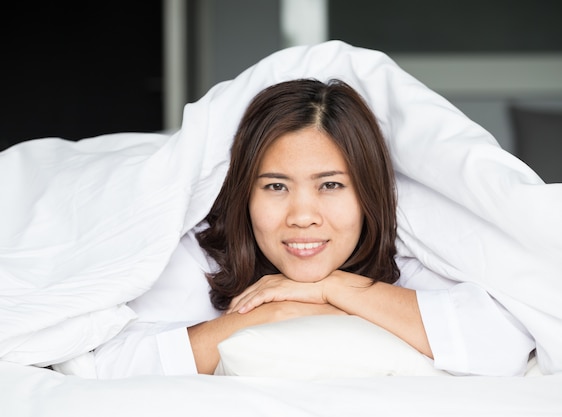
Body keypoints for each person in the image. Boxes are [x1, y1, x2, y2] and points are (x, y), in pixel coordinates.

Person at [93, 78, 535, 378]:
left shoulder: (408, 253)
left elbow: (507, 340)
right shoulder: (196, 252)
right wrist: (271, 313)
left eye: (330, 184)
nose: (302, 216)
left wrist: (336, 290)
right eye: (276, 186)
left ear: (367, 192)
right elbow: (107, 362)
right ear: (246, 192)